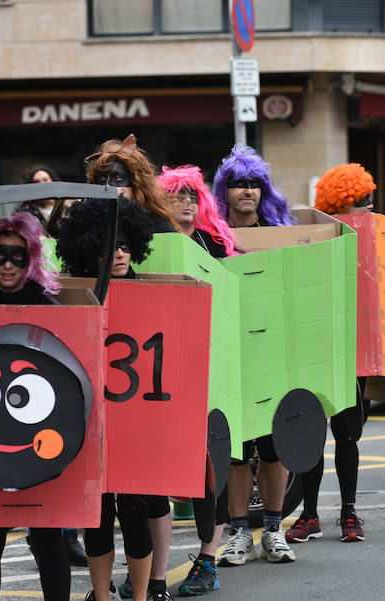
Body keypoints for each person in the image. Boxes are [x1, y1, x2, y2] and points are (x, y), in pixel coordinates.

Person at [55, 198, 160, 601]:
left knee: (136, 517)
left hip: (137, 423)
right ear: (88, 248)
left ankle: (138, 596)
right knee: (96, 520)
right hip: (88, 422)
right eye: (108, 244)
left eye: (125, 244)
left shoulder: (151, 291)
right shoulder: (76, 294)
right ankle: (101, 596)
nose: (119, 252)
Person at [0, 212, 69, 601]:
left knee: (47, 541)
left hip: (37, 443)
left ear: (31, 260)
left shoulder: (48, 307)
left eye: (17, 257)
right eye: (1, 255)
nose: (8, 264)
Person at [152, 165, 238, 597]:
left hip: (213, 368)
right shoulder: (152, 247)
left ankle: (208, 558)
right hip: (164, 372)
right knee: (158, 473)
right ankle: (152, 571)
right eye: (177, 194)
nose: (186, 201)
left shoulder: (214, 244)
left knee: (211, 468)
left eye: (192, 194)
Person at [211, 144, 297, 567]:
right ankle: (241, 532)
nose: (247, 191)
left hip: (273, 351)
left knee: (274, 444)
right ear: (223, 191)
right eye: (238, 184)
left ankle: (275, 530)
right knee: (236, 449)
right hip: (229, 352)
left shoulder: (282, 234)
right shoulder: (210, 239)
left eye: (254, 184)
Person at [283, 163, 376, 546]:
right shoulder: (316, 237)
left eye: (370, 202)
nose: (370, 209)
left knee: (347, 435)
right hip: (317, 347)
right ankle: (310, 514)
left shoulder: (373, 239)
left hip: (354, 349)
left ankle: (349, 511)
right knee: (312, 436)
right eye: (363, 203)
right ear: (345, 203)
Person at [85, 134, 176, 233]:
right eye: (102, 179)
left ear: (136, 186)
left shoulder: (159, 228)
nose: (107, 185)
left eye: (117, 179)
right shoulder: (86, 225)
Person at [158, 165, 238, 258]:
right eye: (180, 195)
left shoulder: (213, 241)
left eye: (193, 196)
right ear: (164, 200)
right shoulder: (156, 237)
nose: (188, 200)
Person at [213, 144, 296, 229]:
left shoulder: (276, 230)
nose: (249, 192)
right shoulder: (214, 234)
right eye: (240, 184)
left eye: (255, 185)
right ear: (224, 190)